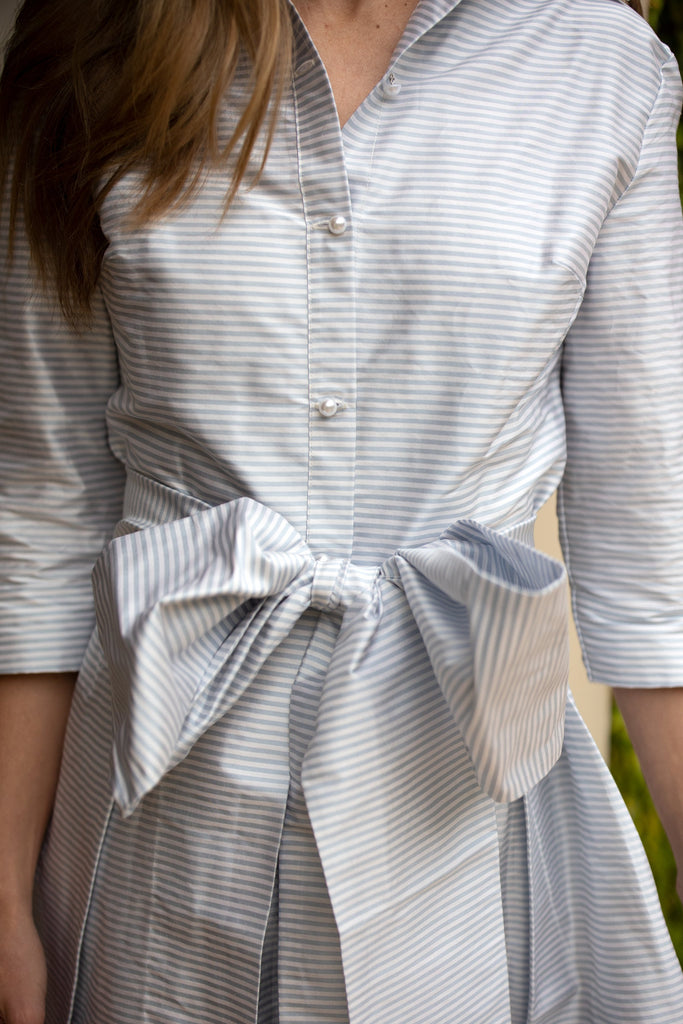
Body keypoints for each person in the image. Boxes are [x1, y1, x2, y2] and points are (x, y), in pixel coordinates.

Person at [1, 0, 683, 1021]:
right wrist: (5, 887)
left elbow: (649, 553)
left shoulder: (596, 60)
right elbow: (44, 510)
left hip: (466, 818)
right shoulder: (94, 36)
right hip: (160, 829)